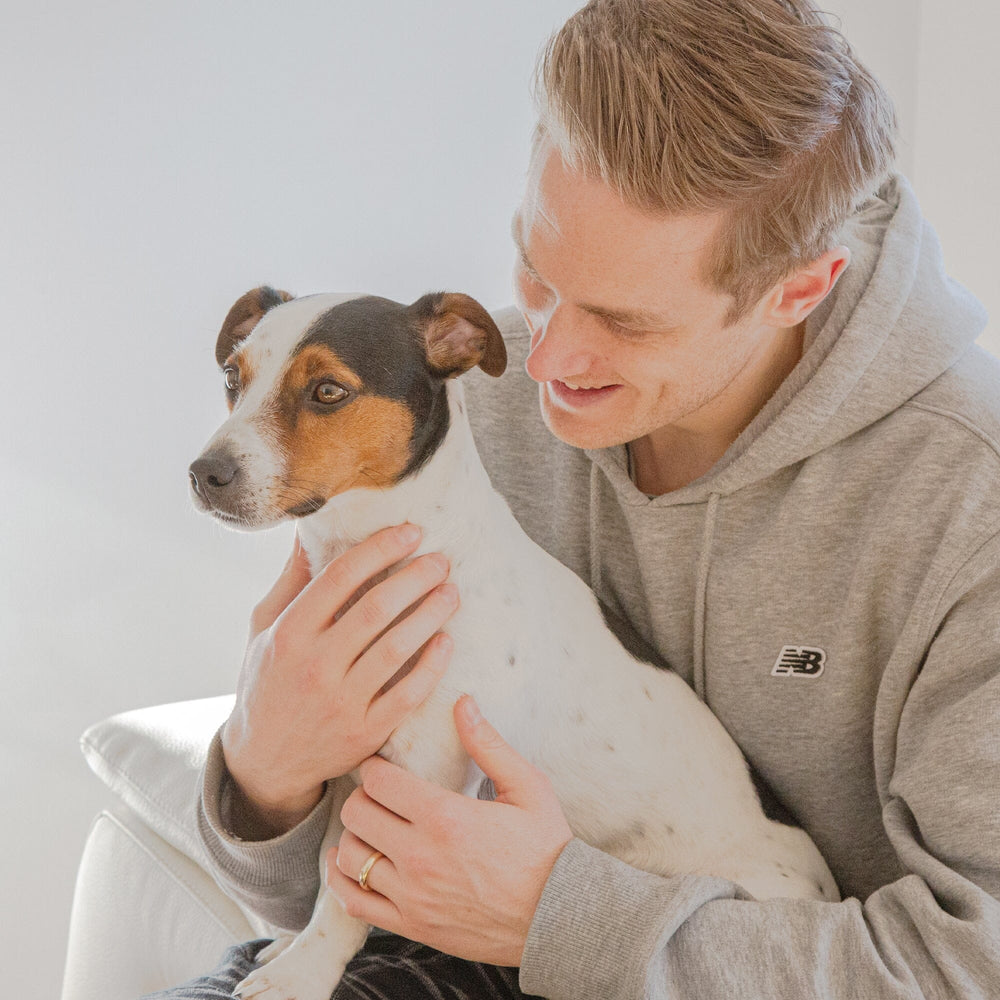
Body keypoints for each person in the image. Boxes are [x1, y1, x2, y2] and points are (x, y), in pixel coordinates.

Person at [146, 1, 1000, 997]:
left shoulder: (969, 505)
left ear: (797, 290)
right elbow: (306, 907)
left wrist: (558, 916)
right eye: (536, 273)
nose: (543, 360)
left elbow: (972, 967)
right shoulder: (448, 407)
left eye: (625, 322)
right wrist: (266, 773)